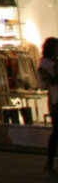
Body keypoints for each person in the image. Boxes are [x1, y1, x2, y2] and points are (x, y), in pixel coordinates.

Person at [38, 37, 58, 170]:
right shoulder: (45, 64)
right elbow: (49, 82)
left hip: (55, 99)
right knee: (56, 131)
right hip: (55, 100)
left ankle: (50, 161)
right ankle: (49, 161)